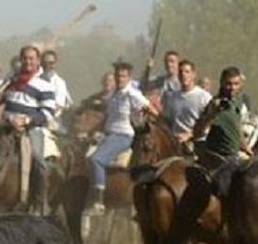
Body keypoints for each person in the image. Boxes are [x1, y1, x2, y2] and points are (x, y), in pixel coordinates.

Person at [88, 61, 152, 214]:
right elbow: (107, 118)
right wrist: (93, 131)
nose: (119, 79)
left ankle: (99, 201)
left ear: (129, 77)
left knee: (96, 159)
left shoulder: (132, 94)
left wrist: (141, 121)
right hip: (108, 134)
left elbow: (148, 108)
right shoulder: (115, 94)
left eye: (122, 76)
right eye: (117, 75)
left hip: (123, 136)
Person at [1, 44, 59, 208]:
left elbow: (47, 113)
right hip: (7, 128)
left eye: (31, 58)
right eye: (25, 58)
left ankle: (40, 203)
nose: (28, 62)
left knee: (38, 160)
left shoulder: (44, 85)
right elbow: (4, 102)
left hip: (31, 130)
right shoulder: (12, 81)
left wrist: (26, 121)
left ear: (38, 61)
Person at [193, 66, 250, 173]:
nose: (232, 87)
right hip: (216, 158)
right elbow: (197, 133)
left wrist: (246, 147)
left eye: (236, 84)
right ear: (222, 83)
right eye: (229, 84)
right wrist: (212, 114)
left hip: (234, 155)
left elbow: (237, 126)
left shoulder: (237, 102)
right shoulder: (214, 104)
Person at [162, 60, 212, 144]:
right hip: (175, 142)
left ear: (194, 75)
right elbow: (167, 121)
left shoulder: (204, 97)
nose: (183, 75)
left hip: (197, 142)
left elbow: (211, 123)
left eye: (187, 72)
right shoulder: (172, 97)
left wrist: (190, 134)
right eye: (180, 72)